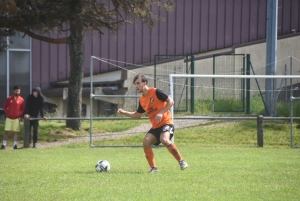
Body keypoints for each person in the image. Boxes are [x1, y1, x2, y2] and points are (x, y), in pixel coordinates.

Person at [117, 73, 188, 173]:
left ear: (144, 83)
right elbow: (138, 115)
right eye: (135, 84)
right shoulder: (141, 100)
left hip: (166, 123)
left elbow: (170, 102)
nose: (136, 86)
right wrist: (125, 113)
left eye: (138, 83)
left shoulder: (156, 91)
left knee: (164, 139)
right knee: (146, 142)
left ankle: (181, 161)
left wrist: (161, 113)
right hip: (156, 126)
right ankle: (154, 168)